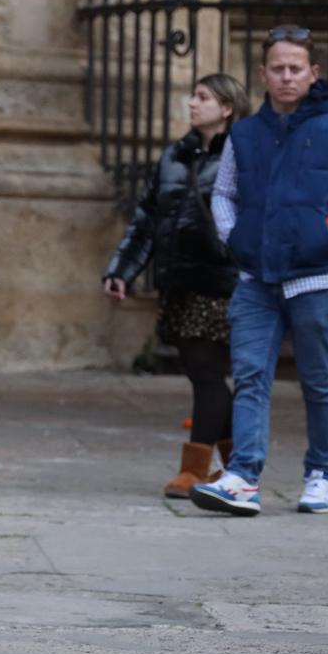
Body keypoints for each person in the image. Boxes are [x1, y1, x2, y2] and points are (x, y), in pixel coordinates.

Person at [193, 27, 328, 518]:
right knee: (251, 376)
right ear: (263, 74)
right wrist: (232, 236)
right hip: (256, 280)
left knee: (317, 381)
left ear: (312, 73)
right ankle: (243, 476)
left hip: (316, 281)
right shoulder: (244, 133)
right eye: (277, 68)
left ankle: (320, 475)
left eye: (295, 68)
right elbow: (224, 192)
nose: (285, 76)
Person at [102, 73, 248, 498]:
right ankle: (236, 466)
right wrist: (121, 270)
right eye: (194, 96)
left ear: (226, 108)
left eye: (203, 97)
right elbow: (147, 219)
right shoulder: (176, 155)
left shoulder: (244, 154)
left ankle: (197, 469)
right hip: (180, 281)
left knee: (206, 372)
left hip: (221, 281)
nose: (192, 103)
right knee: (202, 372)